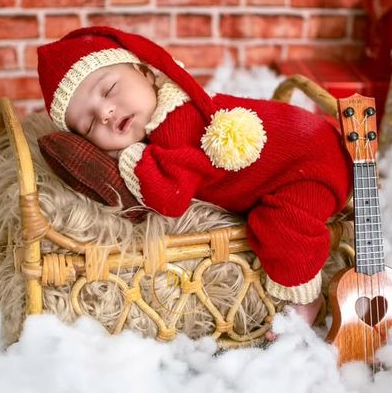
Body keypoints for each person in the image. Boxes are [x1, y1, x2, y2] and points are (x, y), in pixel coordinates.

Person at [37, 25, 352, 336]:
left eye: (109, 90)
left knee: (280, 226)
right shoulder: (161, 110)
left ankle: (305, 301)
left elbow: (171, 198)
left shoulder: (175, 122)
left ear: (146, 73)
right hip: (309, 143)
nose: (105, 111)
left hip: (312, 166)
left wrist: (129, 159)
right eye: (90, 123)